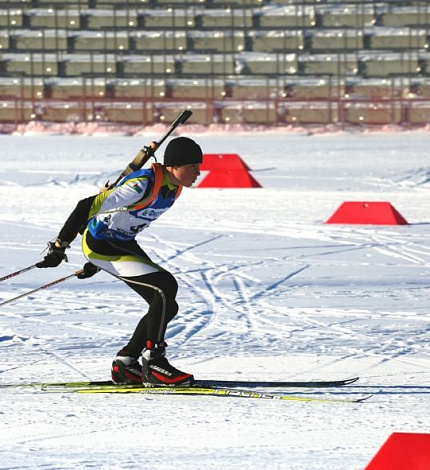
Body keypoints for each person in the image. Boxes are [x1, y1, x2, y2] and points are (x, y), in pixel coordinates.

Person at [36, 136, 203, 387]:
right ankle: (154, 362)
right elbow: (85, 207)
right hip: (102, 244)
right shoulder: (141, 185)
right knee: (165, 286)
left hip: (121, 242)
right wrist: (59, 247)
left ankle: (126, 364)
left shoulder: (173, 187)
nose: (198, 173)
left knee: (167, 304)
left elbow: (119, 218)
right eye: (193, 167)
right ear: (174, 166)